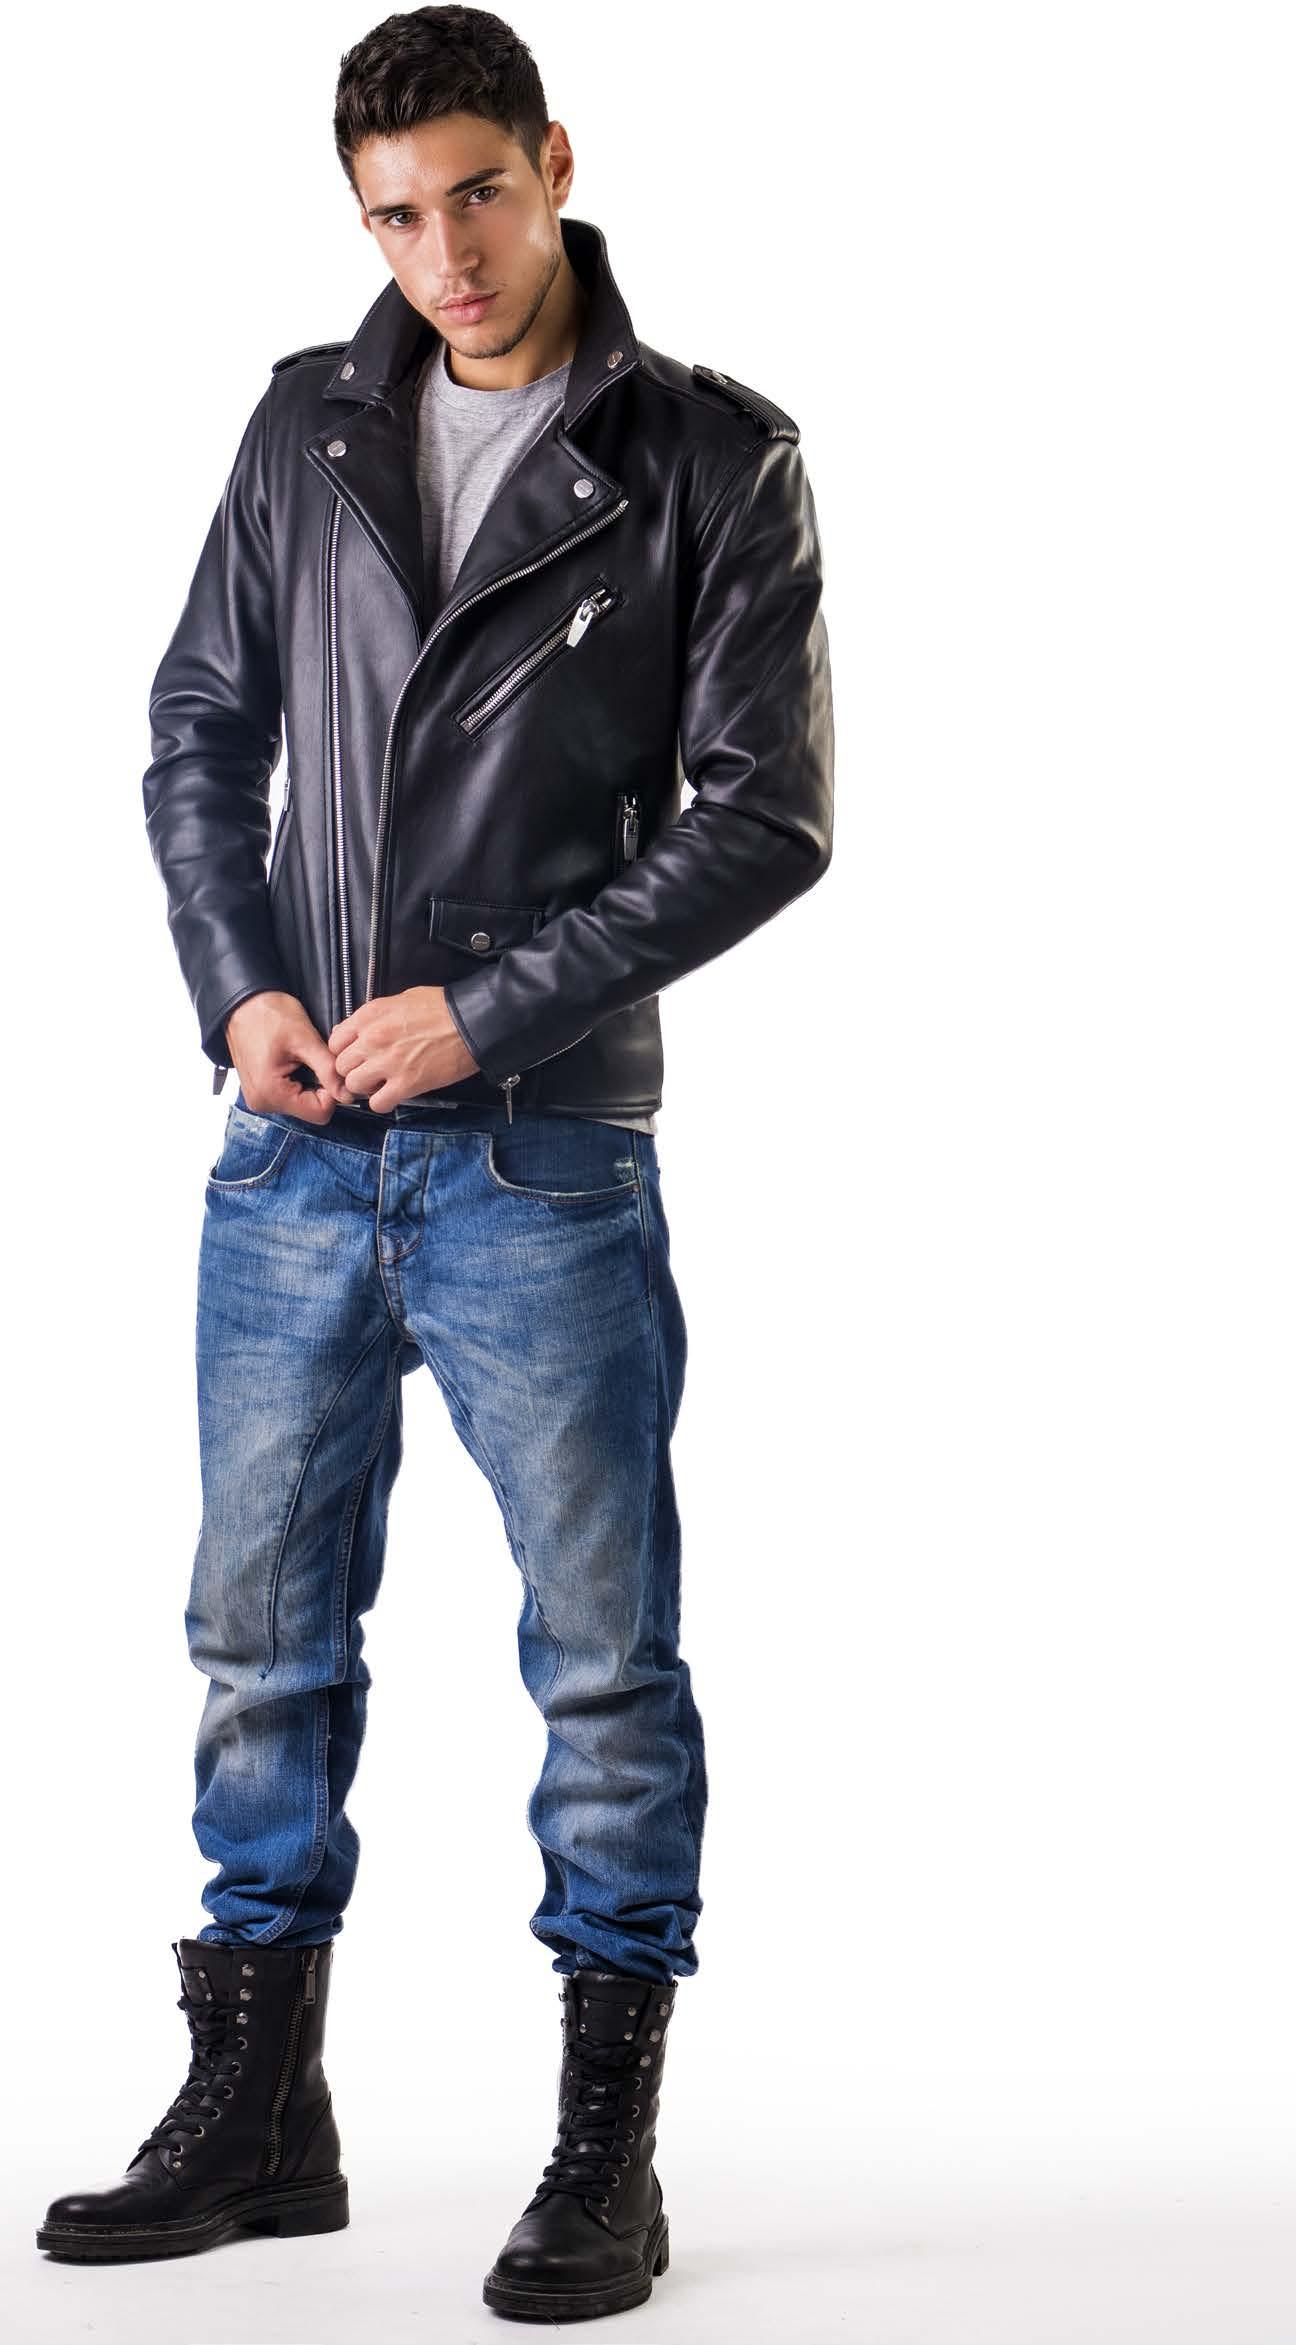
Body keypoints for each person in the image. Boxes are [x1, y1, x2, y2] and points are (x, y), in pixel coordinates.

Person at [36, 5, 834, 2317]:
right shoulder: (305, 422)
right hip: (291, 1149)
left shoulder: (710, 459)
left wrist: (492, 1007)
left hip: (539, 1160)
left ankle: (606, 2156)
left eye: (479, 193)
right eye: (396, 213)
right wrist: (241, 989)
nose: (446, 255)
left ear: (553, 164)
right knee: (255, 1638)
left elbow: (768, 816)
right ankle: (257, 2114)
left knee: (600, 1657)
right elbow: (202, 728)